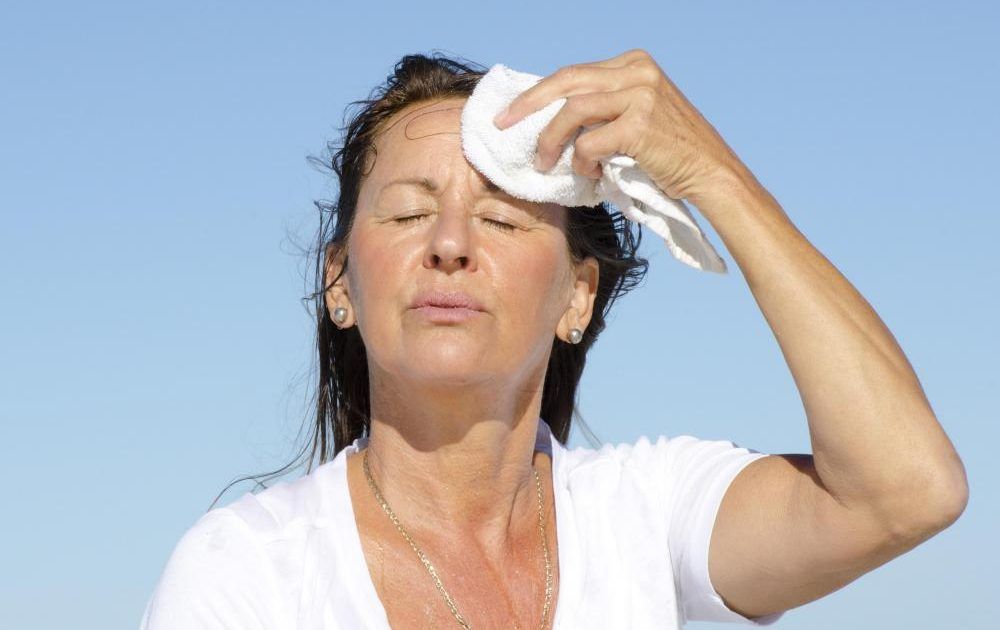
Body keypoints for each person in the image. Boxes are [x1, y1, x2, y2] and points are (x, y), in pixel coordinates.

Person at [139, 50, 969, 629]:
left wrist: (713, 176)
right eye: (407, 212)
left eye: (501, 217)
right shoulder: (246, 572)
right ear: (340, 284)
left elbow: (905, 492)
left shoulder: (640, 516)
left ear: (577, 295)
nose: (451, 243)